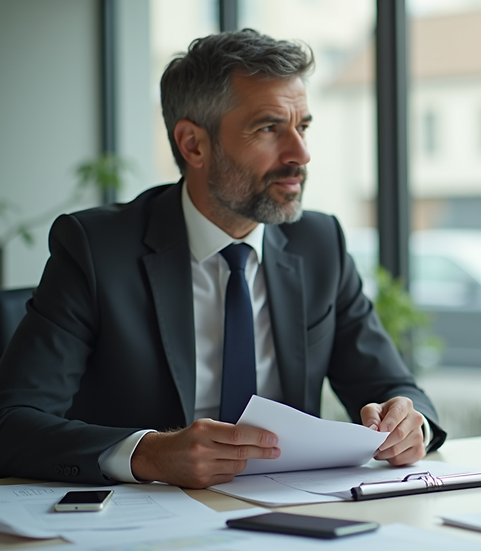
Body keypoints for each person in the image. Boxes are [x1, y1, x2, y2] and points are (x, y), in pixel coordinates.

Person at [0, 30, 445, 489]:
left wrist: (411, 425)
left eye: (303, 126)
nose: (301, 154)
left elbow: (395, 389)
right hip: (151, 522)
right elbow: (12, 424)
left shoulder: (318, 241)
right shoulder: (95, 248)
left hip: (293, 514)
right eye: (269, 128)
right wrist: (147, 453)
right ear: (193, 144)